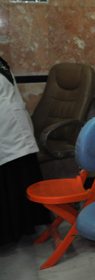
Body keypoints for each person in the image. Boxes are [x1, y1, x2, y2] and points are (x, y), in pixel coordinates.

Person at [0, 56, 49, 245]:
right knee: (16, 178)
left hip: (9, 127)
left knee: (14, 179)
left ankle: (16, 229)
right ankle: (23, 226)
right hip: (12, 125)